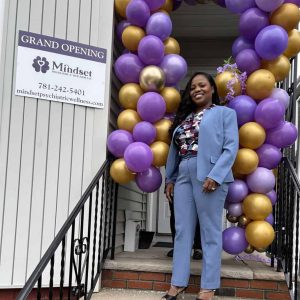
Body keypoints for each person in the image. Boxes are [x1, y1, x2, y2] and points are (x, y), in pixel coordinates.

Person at [162, 72, 238, 300]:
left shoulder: (225, 113)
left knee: (209, 231)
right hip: (183, 174)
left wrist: (216, 175)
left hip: (210, 174)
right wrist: (170, 178)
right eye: (192, 87)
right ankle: (178, 283)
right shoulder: (184, 119)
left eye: (202, 85)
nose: (197, 89)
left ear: (212, 89)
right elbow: (175, 151)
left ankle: (208, 287)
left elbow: (230, 147)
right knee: (182, 232)